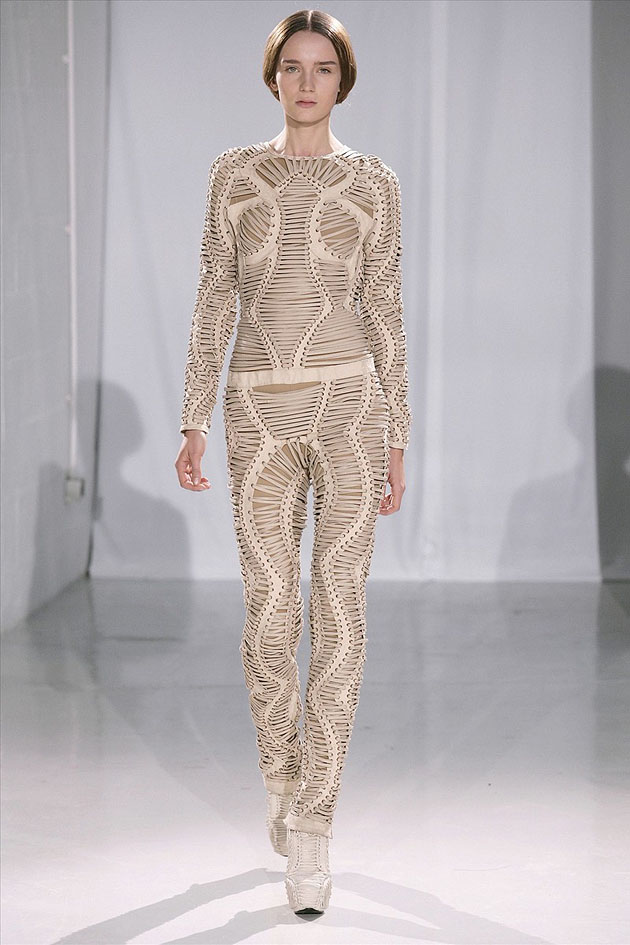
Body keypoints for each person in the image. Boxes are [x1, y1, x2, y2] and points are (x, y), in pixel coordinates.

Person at [174, 8, 412, 916]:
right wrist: (194, 416)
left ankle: (315, 827)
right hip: (255, 412)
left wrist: (399, 433)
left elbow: (385, 304)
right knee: (271, 612)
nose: (307, 83)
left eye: (323, 68)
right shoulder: (234, 175)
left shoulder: (373, 182)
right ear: (273, 76)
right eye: (293, 67)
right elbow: (214, 294)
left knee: (340, 613)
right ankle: (281, 774)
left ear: (342, 81)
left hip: (350, 409)